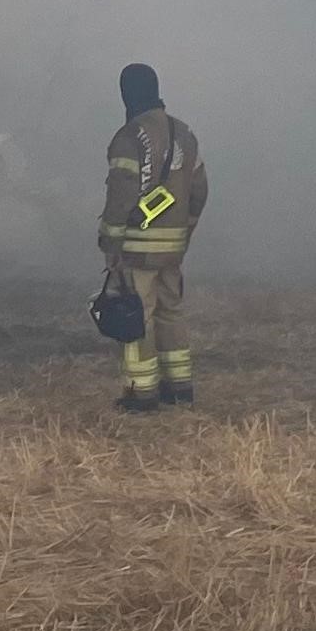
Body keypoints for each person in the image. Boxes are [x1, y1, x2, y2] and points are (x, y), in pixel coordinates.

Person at [98, 61, 207, 410]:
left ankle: (140, 392)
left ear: (127, 95)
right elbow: (200, 189)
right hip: (173, 248)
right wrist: (185, 231)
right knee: (171, 312)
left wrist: (110, 242)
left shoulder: (130, 137)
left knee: (136, 315)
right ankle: (179, 388)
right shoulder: (184, 134)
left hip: (137, 248)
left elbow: (121, 195)